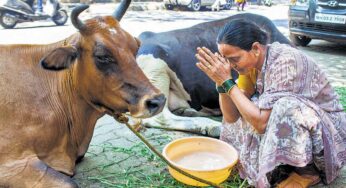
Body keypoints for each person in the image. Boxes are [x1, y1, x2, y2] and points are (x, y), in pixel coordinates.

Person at [195, 19, 346, 187]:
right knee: (243, 103)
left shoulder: (286, 61)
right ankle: (279, 167)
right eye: (226, 60)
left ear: (256, 49)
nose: (230, 65)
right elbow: (231, 118)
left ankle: (308, 172)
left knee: (286, 107)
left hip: (329, 133)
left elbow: (261, 123)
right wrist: (222, 85)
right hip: (305, 129)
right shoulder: (250, 66)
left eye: (234, 59)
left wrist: (228, 82)